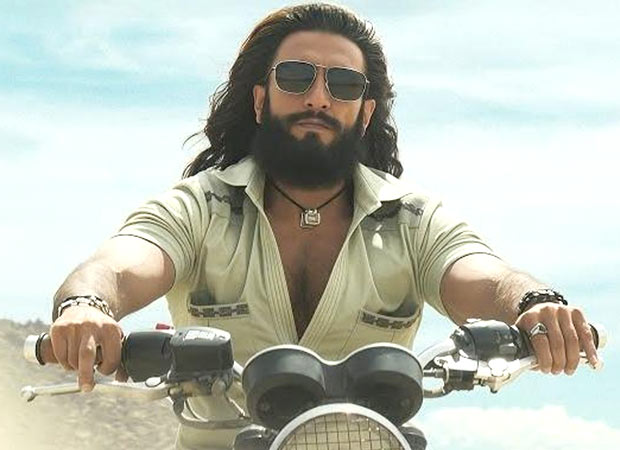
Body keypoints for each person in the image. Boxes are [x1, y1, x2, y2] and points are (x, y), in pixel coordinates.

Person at [48, 3, 600, 449]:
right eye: (295, 77)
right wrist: (86, 307)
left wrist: (535, 303)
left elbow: (480, 274)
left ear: (365, 112)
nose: (318, 97)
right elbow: (123, 261)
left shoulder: (414, 219)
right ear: (261, 100)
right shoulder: (201, 206)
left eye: (343, 84)